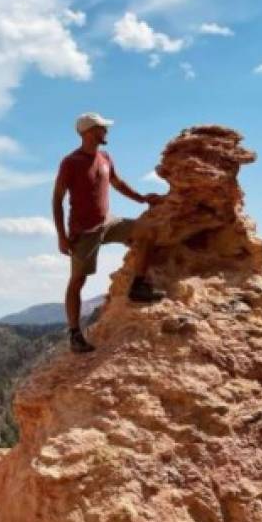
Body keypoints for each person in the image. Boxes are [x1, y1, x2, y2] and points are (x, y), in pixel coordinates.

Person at [52, 112, 166, 353]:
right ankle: (74, 334)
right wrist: (61, 235)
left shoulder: (105, 157)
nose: (107, 132)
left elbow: (117, 183)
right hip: (84, 230)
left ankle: (138, 287)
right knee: (78, 280)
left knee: (147, 233)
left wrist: (143, 199)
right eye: (103, 128)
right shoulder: (70, 162)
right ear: (89, 132)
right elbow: (57, 199)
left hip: (108, 222)